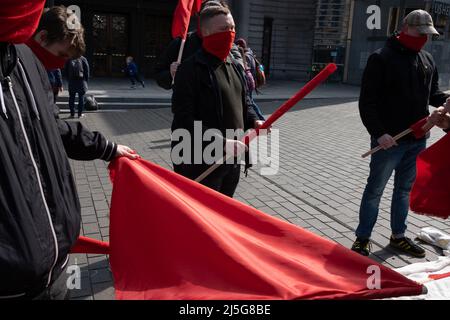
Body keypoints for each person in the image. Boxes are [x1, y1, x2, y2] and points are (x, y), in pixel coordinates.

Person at [0, 1, 138, 300]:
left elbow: (54, 128)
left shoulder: (26, 61)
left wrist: (107, 147)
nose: (61, 64)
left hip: (56, 269)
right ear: (41, 38)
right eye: (61, 55)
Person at [352, 10, 449, 258]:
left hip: (417, 140)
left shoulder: (426, 59)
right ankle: (362, 238)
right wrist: (379, 133)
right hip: (389, 142)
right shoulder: (381, 58)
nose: (424, 38)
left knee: (404, 191)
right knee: (375, 191)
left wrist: (446, 99)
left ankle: (398, 236)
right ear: (405, 27)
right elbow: (367, 103)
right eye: (420, 33)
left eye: (428, 34)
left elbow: (433, 94)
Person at [171, 6, 265, 198]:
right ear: (205, 32)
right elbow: (183, 120)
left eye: (232, 28)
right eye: (223, 29)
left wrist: (255, 120)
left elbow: (244, 101)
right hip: (200, 163)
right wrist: (220, 142)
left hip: (231, 161)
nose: (230, 33)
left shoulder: (234, 64)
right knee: (200, 218)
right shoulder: (189, 70)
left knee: (223, 212)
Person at [154, 0, 243, 90]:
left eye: (231, 28)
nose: (229, 32)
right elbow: (159, 75)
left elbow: (240, 78)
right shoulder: (182, 43)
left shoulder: (230, 45)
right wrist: (171, 74)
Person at [236, 38, 265, 120]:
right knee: (250, 101)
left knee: (250, 102)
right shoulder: (250, 54)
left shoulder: (246, 56)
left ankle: (261, 119)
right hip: (250, 80)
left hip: (248, 81)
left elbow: (245, 69)